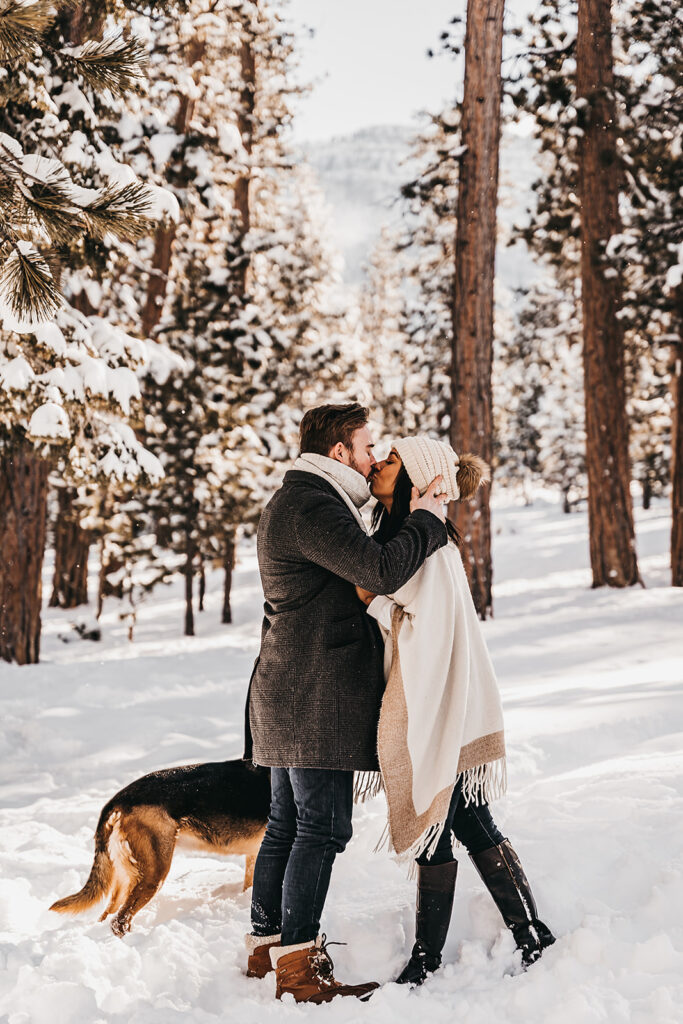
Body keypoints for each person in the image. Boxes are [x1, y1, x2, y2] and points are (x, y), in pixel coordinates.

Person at [243, 404, 448, 1004]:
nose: (371, 456)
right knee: (322, 828)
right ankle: (299, 967)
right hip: (312, 695)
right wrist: (428, 519)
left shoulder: (308, 501)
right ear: (339, 452)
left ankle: (267, 948)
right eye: (366, 447)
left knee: (287, 826)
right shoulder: (311, 505)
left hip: (292, 688)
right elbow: (378, 570)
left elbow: (355, 568)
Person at [356, 436, 555, 986]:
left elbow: (420, 622)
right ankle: (451, 949)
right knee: (446, 826)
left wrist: (373, 601)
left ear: (419, 480)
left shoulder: (429, 543)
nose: (379, 464)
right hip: (435, 708)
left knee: (463, 819)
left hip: (445, 709)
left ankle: (506, 937)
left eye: (392, 460)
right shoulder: (406, 535)